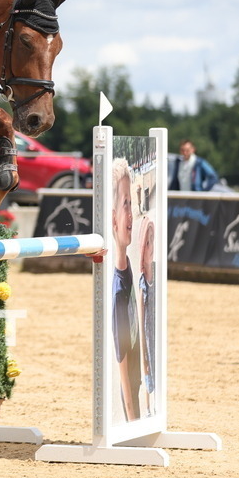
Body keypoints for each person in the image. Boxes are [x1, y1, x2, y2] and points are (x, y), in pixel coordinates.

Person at [110, 158, 143, 422]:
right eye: (125, 205)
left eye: (131, 204)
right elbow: (124, 372)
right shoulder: (118, 289)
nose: (131, 215)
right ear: (112, 217)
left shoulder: (127, 267)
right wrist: (133, 423)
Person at [137, 215, 157, 416]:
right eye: (148, 243)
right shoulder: (142, 285)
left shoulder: (157, 279)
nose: (151, 249)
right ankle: (147, 408)